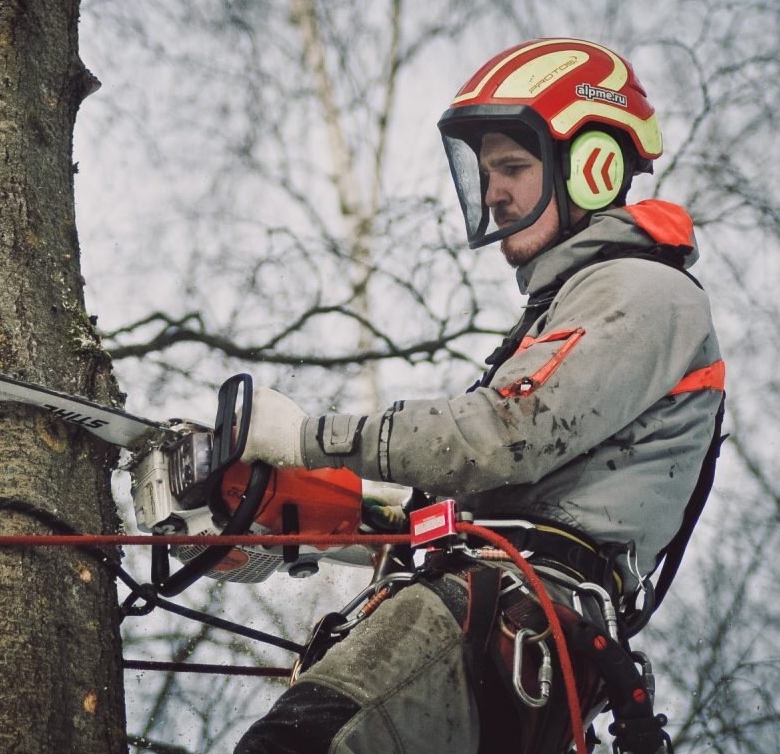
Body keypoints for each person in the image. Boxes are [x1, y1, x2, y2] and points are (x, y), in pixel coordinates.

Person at [233, 38, 725, 754]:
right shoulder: (567, 307)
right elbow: (479, 497)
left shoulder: (645, 291)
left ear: (592, 167)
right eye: (487, 172)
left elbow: (503, 435)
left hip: (509, 615)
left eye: (513, 168)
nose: (494, 192)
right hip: (492, 618)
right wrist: (303, 512)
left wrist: (303, 437)